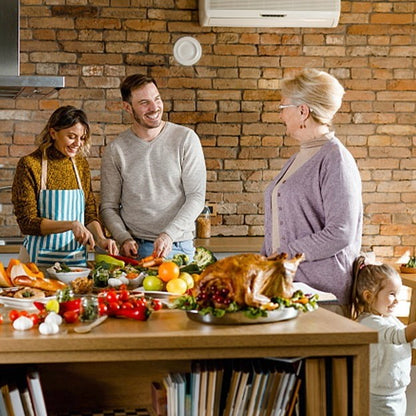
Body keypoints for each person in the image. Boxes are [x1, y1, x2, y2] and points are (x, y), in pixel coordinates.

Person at [261, 68, 363, 313]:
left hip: (322, 295)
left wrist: (285, 255)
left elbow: (341, 232)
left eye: (283, 107)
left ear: (302, 110)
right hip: (292, 288)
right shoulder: (302, 155)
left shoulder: (336, 159)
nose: (281, 116)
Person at [100, 74, 206, 261]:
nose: (154, 107)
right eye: (144, 103)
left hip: (177, 247)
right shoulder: (116, 149)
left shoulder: (185, 139)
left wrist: (169, 234)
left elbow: (196, 197)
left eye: (157, 99)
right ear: (127, 107)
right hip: (134, 249)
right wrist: (123, 238)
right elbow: (108, 207)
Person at [12, 105, 118, 267]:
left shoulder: (81, 164)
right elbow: (27, 222)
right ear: (53, 133)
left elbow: (89, 213)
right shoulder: (30, 164)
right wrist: (71, 225)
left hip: (75, 264)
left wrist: (101, 239)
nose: (78, 143)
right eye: (71, 136)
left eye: (82, 138)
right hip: (36, 264)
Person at [351, 255, 416, 416]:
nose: (397, 301)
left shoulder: (389, 319)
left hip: (397, 393)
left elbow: (408, 340)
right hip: (378, 397)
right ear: (368, 296)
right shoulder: (369, 324)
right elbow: (398, 336)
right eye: (392, 294)